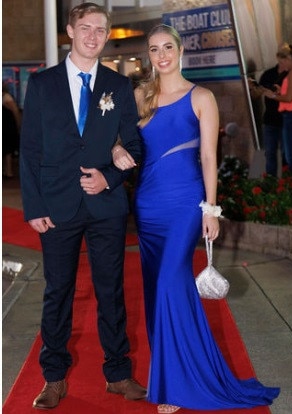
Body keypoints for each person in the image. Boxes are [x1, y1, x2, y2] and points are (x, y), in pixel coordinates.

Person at [112, 24, 280, 414]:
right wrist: (117, 147)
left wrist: (211, 209)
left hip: (185, 204)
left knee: (172, 283)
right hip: (148, 206)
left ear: (180, 49)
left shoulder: (201, 97)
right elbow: (117, 138)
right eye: (153, 49)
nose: (161, 55)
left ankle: (174, 386)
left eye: (167, 47)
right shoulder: (140, 96)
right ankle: (172, 372)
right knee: (156, 292)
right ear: (149, 56)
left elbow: (208, 157)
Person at [19, 3, 145, 410]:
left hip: (105, 205)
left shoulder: (118, 86)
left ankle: (118, 373)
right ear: (70, 31)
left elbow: (136, 144)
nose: (93, 35)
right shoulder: (41, 84)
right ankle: (53, 377)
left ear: (107, 36)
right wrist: (34, 205)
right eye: (85, 27)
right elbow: (30, 150)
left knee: (111, 291)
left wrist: (109, 176)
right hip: (56, 206)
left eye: (101, 29)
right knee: (58, 293)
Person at [264, 42, 292, 185]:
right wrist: (279, 91)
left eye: (282, 61)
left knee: (291, 156)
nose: (281, 65)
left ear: (289, 58)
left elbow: (289, 98)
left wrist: (271, 95)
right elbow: (291, 95)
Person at [248, 61, 287, 177]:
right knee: (270, 153)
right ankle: (271, 181)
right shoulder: (268, 74)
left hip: (287, 120)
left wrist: (277, 94)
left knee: (288, 154)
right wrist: (252, 89)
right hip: (270, 120)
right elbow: (256, 95)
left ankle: (289, 182)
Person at [2, 83, 21, 178]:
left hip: (6, 127)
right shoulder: (6, 96)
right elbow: (15, 111)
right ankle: (7, 171)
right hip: (7, 127)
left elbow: (15, 111)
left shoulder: (6, 97)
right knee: (7, 149)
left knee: (7, 149)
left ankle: (8, 171)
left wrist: (18, 125)